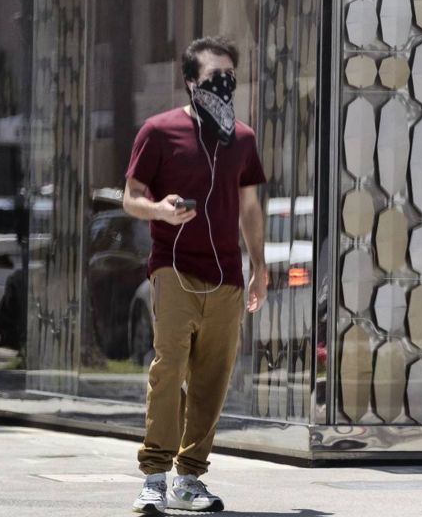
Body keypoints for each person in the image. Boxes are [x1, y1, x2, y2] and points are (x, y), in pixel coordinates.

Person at [123, 37, 267, 514]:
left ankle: (189, 479)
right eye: (212, 78)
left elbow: (250, 208)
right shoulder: (159, 132)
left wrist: (260, 267)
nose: (223, 86)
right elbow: (131, 196)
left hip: (226, 274)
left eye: (230, 77)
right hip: (173, 268)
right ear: (190, 82)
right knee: (169, 369)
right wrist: (158, 210)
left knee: (212, 379)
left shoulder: (242, 140)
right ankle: (154, 475)